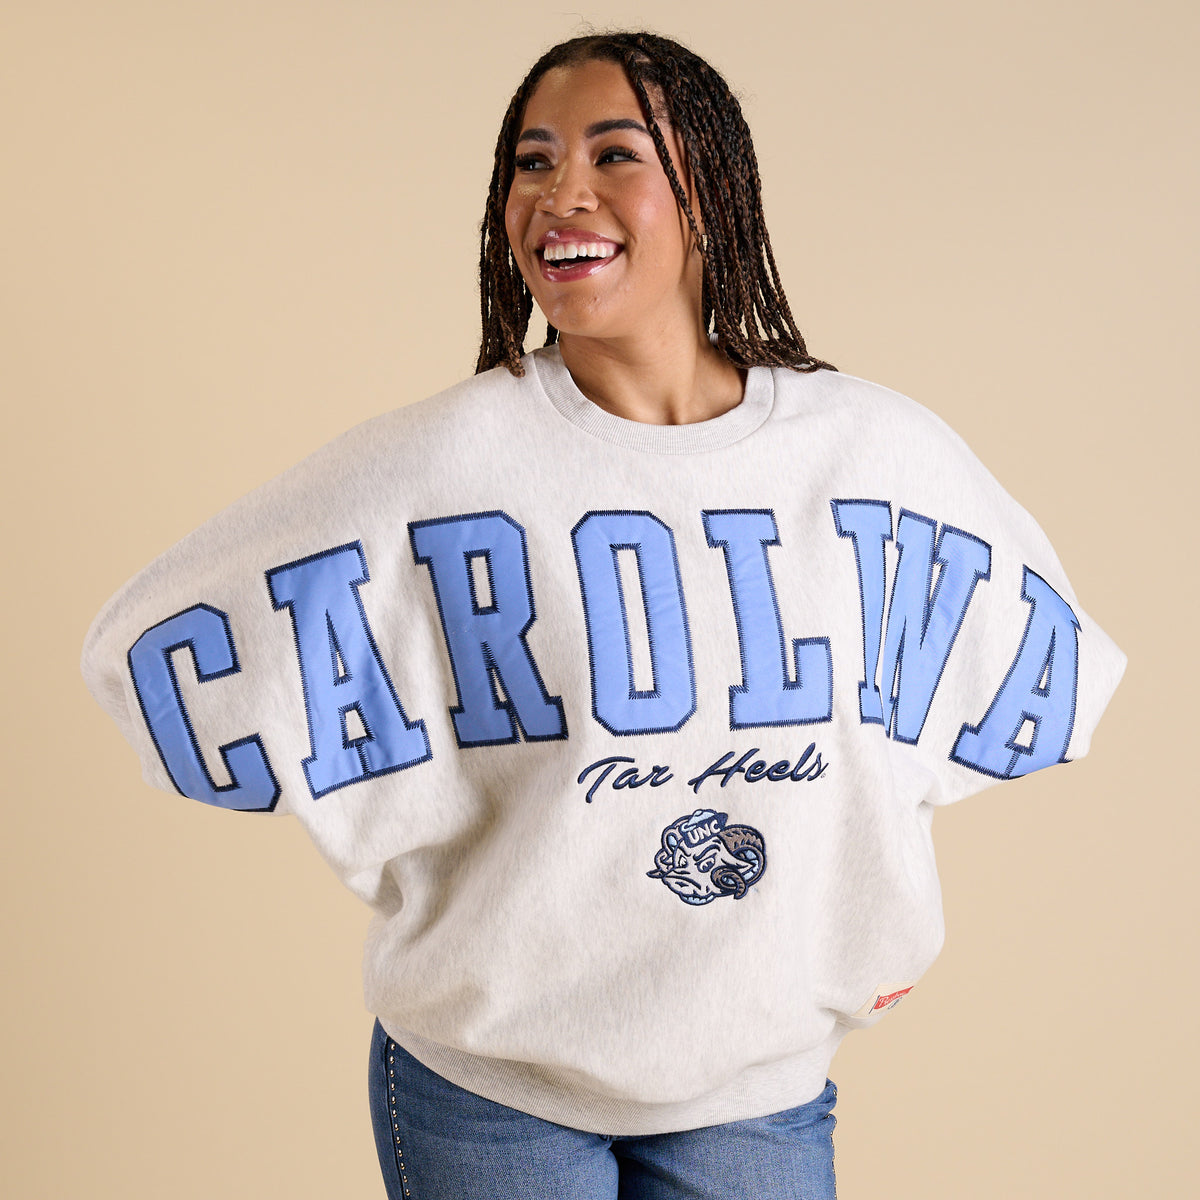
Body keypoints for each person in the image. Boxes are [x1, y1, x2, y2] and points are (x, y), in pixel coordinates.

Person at [81, 30, 1126, 1200]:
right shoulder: (443, 463)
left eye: (612, 152)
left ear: (712, 192)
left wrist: (858, 926)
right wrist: (393, 818)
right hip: (488, 1084)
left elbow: (1037, 681)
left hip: (756, 1089)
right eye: (531, 162)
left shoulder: (872, 457)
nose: (560, 193)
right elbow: (160, 653)